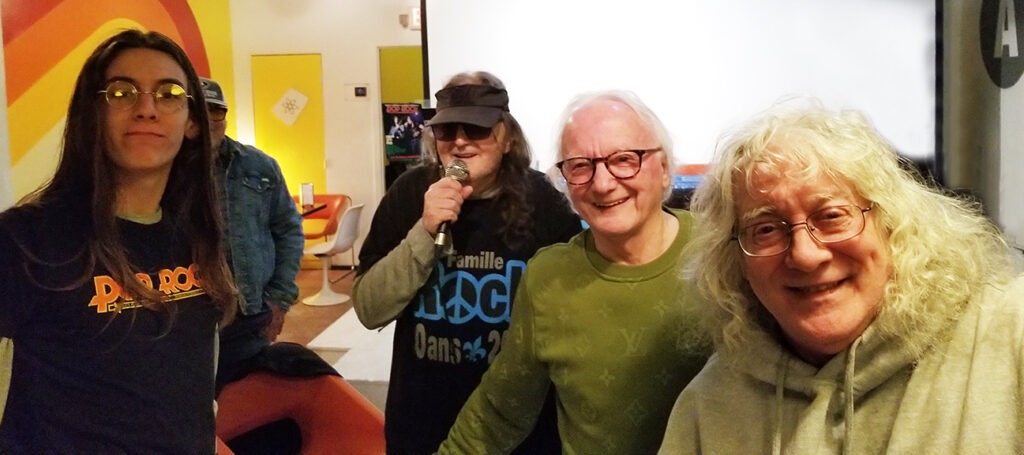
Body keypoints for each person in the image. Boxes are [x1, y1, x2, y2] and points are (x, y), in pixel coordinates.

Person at [660, 99, 1024, 454]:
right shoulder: (711, 403)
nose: (805, 255)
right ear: (735, 261)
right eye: (766, 229)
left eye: (832, 216)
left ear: (893, 222)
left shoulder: (1008, 332)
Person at [436, 90, 711, 454]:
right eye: (580, 165)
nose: (602, 183)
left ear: (663, 168)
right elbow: (500, 412)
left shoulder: (721, 254)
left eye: (624, 159)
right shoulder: (548, 278)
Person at [0, 29, 237, 453]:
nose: (147, 108)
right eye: (122, 92)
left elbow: (191, 388)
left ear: (192, 123)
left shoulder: (197, 237)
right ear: (93, 114)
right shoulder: (25, 240)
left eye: (168, 94)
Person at [352, 71, 582, 454]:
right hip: (422, 420)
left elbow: (573, 322)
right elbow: (369, 308)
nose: (459, 141)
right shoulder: (409, 193)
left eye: (476, 128)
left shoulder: (547, 202)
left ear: (507, 137)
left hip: (517, 428)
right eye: (447, 130)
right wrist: (425, 232)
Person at [199, 76, 306, 390]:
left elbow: (288, 230)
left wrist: (279, 300)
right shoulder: (162, 171)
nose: (208, 120)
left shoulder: (259, 166)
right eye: (198, 111)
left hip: (250, 317)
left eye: (216, 111)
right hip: (189, 322)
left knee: (248, 402)